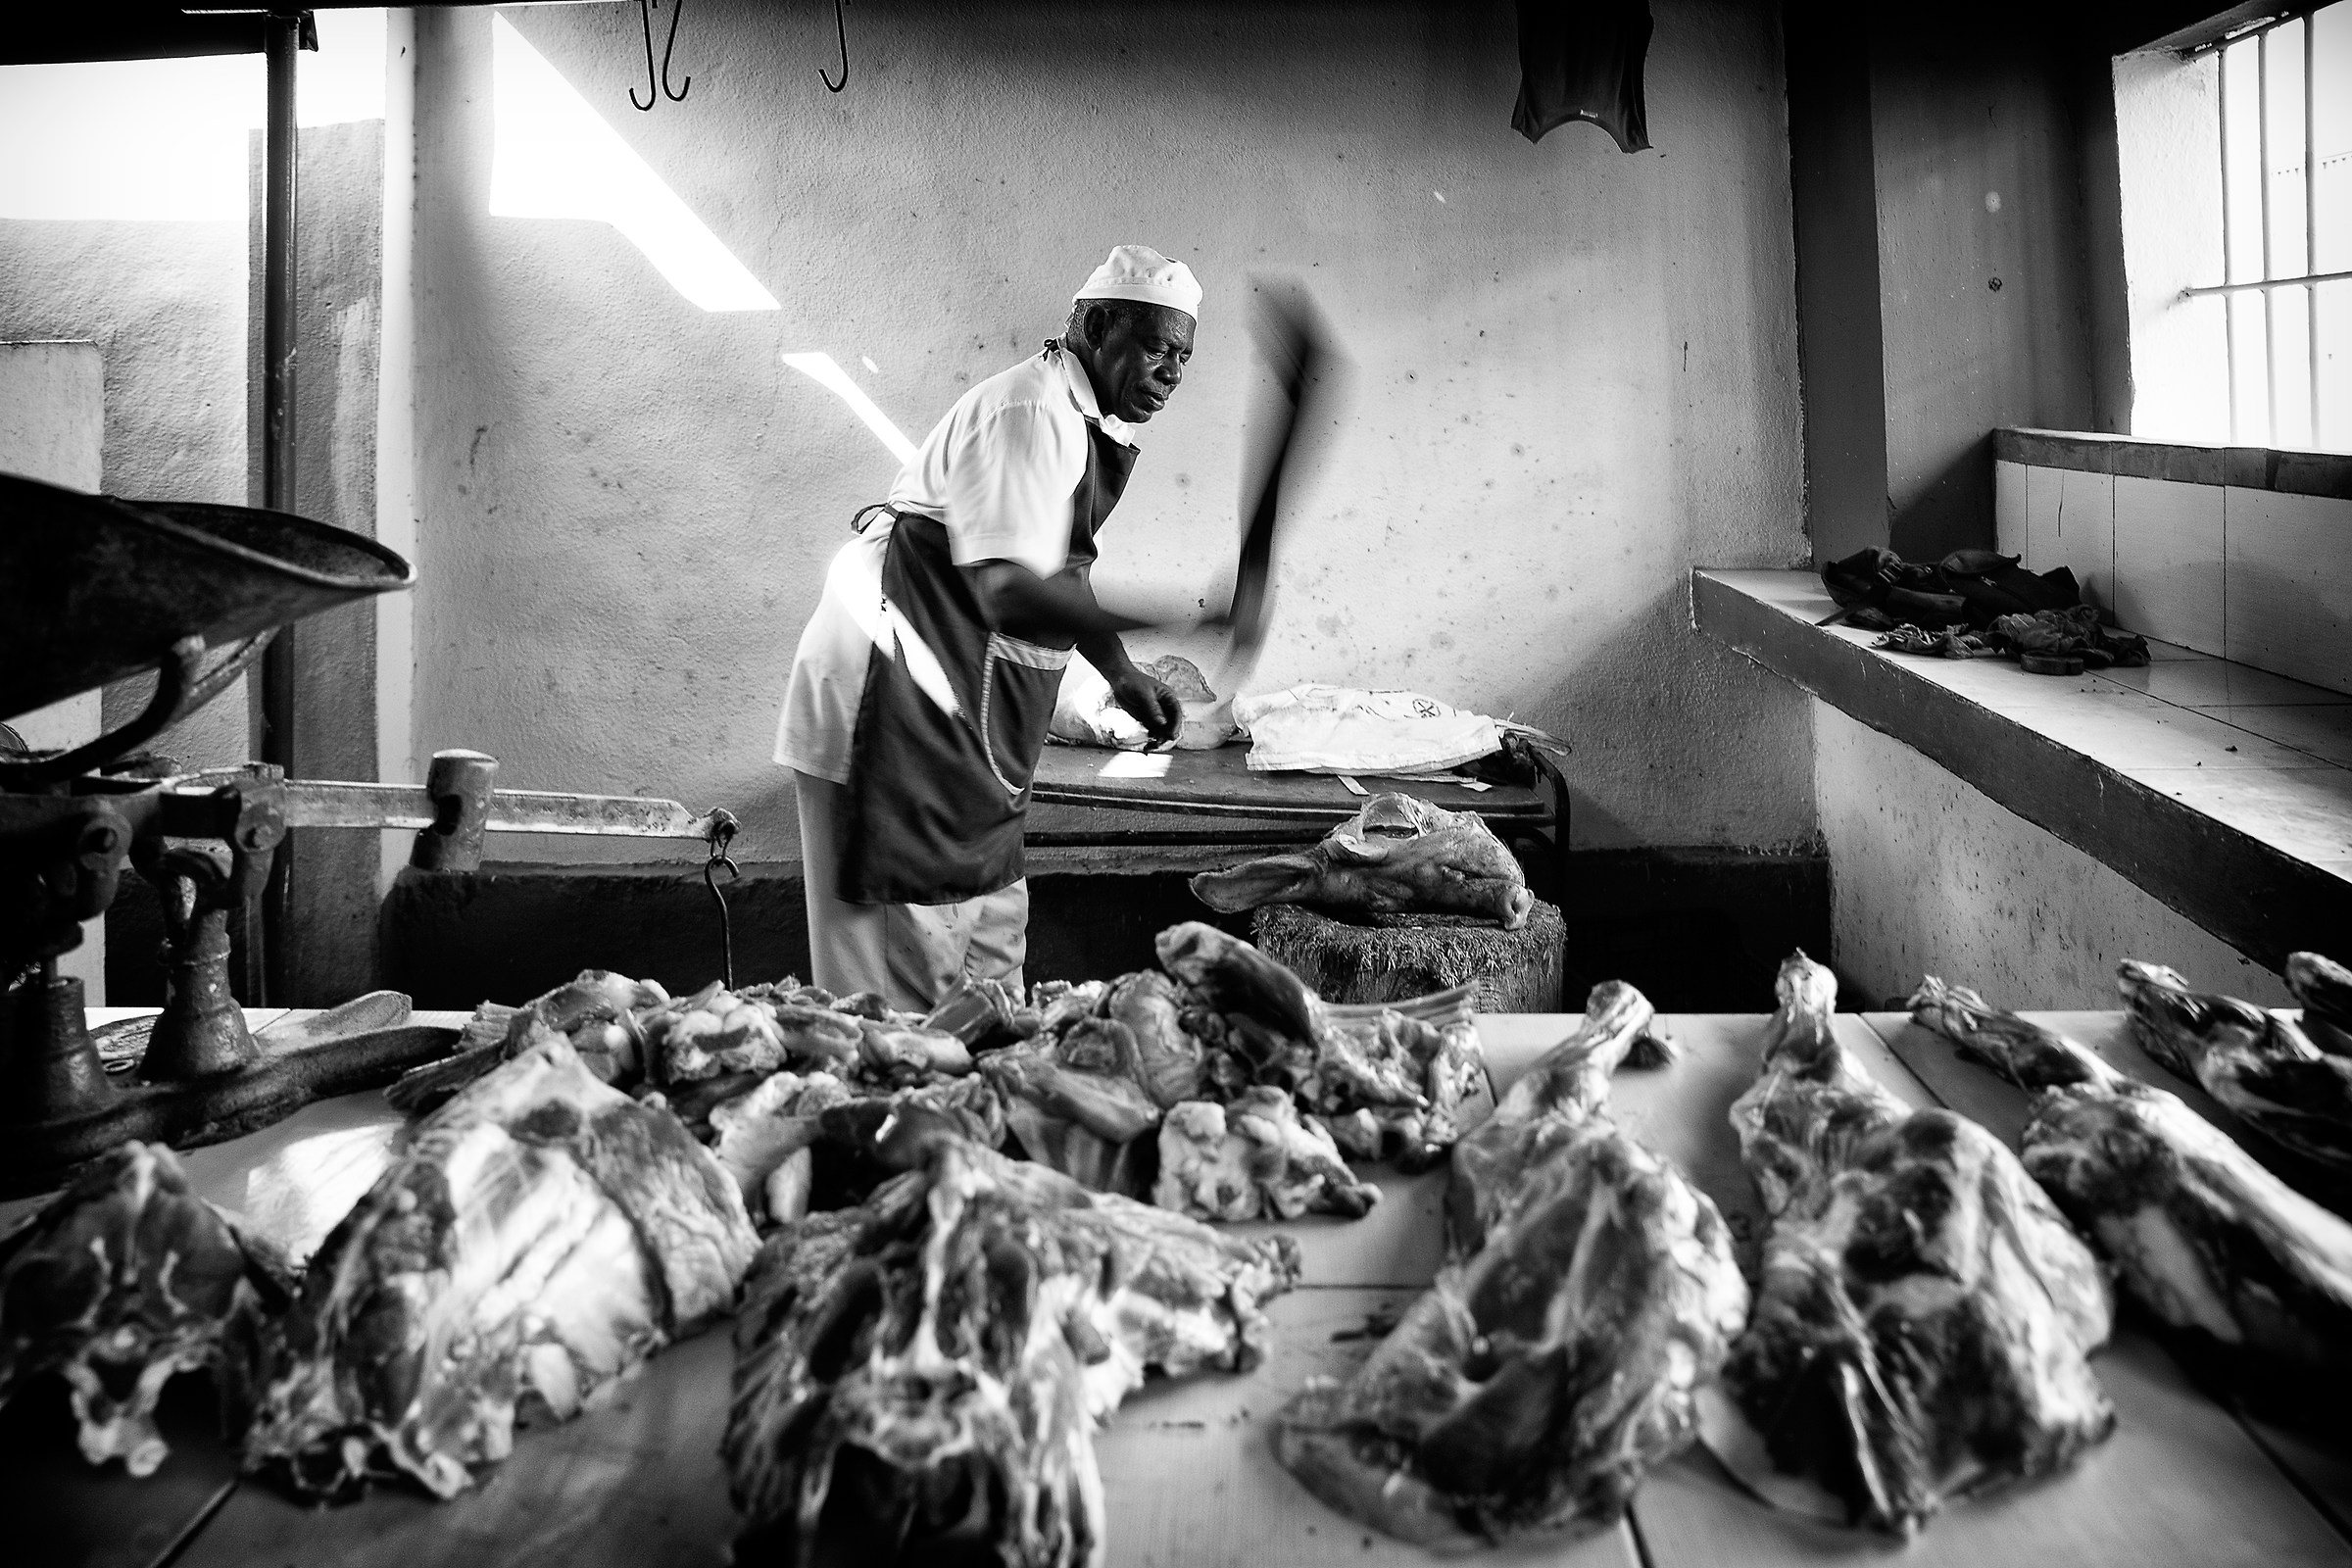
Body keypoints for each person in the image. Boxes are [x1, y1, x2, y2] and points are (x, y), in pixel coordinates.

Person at [775, 244, 1202, 1011]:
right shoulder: (1030, 412)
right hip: (889, 705)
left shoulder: (1079, 420)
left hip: (961, 725)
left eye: (1182, 355)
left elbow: (1062, 567)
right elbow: (1008, 588)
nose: (1171, 372)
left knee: (991, 961)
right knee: (897, 991)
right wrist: (1185, 612)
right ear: (1095, 325)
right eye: (1153, 346)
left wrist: (1121, 672)